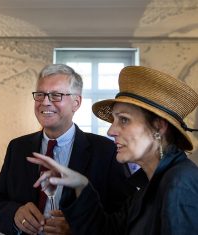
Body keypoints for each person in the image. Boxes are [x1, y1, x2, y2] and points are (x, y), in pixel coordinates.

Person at [28, 65, 198, 235]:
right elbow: (109, 230)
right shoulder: (151, 184)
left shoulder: (179, 183)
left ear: (158, 127)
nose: (111, 131)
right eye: (114, 120)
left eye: (124, 120)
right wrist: (81, 184)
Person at [0, 64, 144, 235]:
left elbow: (125, 215)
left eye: (56, 95)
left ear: (76, 103)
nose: (45, 102)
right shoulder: (18, 147)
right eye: (40, 95)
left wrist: (78, 227)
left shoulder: (105, 151)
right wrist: (14, 214)